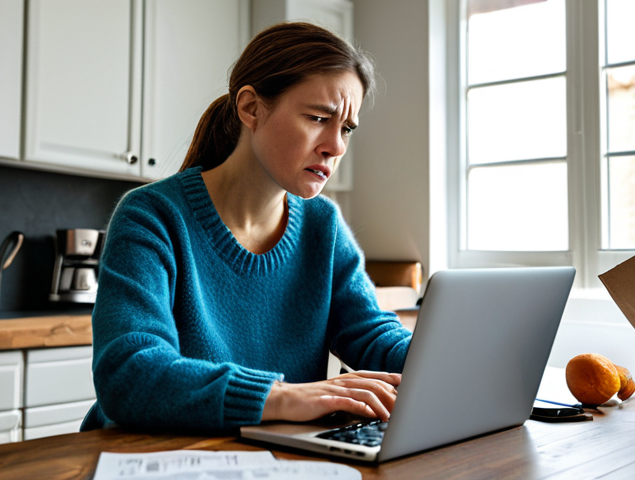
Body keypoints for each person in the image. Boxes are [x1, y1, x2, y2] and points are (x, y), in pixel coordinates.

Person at [80, 22, 412, 433]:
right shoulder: (152, 216)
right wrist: (291, 396)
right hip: (147, 459)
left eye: (345, 128)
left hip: (264, 456)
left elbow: (372, 334)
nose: (336, 146)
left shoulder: (323, 226)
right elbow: (129, 375)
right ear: (251, 108)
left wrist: (450, 361)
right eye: (318, 118)